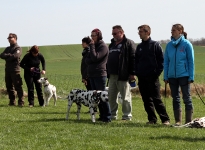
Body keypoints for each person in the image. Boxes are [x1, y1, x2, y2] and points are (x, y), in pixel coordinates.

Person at [135, 25, 170, 125]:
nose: (139, 33)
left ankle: (165, 119)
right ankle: (152, 119)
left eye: (141, 31)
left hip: (152, 77)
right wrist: (137, 72)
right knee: (146, 100)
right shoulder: (139, 46)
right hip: (142, 77)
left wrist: (156, 73)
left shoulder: (155, 45)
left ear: (147, 33)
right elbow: (136, 61)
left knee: (156, 99)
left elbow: (161, 61)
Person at [164, 24, 194, 126]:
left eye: (174, 30)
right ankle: (178, 121)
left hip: (184, 75)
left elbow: (191, 61)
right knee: (175, 98)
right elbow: (166, 62)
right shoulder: (169, 45)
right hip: (172, 76)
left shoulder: (187, 44)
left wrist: (191, 76)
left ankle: (188, 121)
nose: (172, 32)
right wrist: (166, 75)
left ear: (180, 31)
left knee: (186, 97)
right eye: (171, 30)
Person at [107, 25, 136, 121]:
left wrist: (132, 73)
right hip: (112, 75)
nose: (113, 35)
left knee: (125, 97)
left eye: (115, 33)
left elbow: (133, 59)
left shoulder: (128, 43)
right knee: (111, 97)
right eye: (112, 33)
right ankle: (112, 115)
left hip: (123, 75)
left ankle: (127, 116)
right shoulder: (112, 44)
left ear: (121, 32)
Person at [85, 28, 111, 122]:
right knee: (96, 97)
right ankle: (102, 116)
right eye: (91, 36)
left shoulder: (103, 46)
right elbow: (87, 60)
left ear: (98, 35)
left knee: (102, 96)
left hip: (100, 74)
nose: (92, 38)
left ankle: (107, 117)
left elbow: (95, 57)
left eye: (93, 35)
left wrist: (92, 47)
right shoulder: (93, 46)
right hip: (92, 74)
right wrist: (92, 57)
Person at [0, 33, 24, 106]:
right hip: (8, 70)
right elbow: (1, 55)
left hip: (15, 70)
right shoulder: (8, 48)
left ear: (15, 38)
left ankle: (21, 101)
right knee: (9, 86)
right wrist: (9, 56)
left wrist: (7, 56)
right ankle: (12, 102)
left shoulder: (18, 48)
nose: (9, 39)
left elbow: (15, 56)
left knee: (17, 86)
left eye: (11, 37)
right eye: (8, 38)